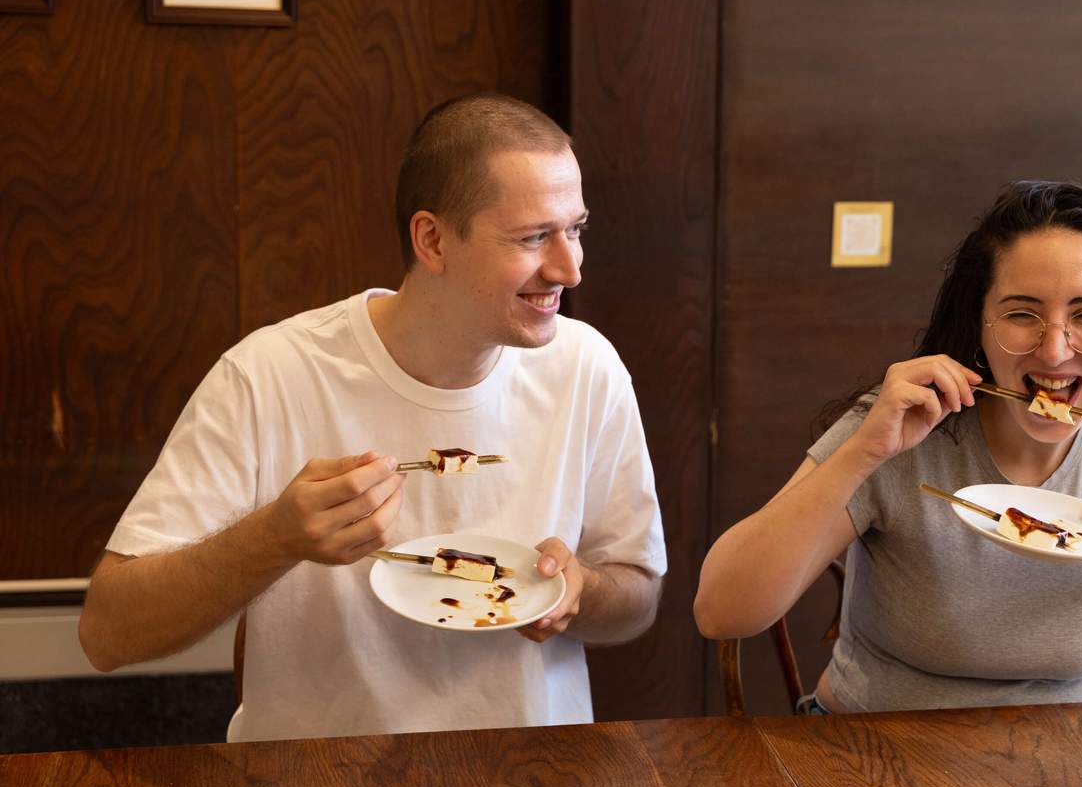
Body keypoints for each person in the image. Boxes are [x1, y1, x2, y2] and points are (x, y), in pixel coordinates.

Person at [79, 92, 667, 742]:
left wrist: (579, 588)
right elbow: (108, 632)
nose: (570, 267)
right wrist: (276, 536)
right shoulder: (270, 375)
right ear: (433, 239)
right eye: (532, 237)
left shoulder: (586, 367)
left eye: (575, 229)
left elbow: (636, 594)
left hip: (533, 780)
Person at [695, 180, 1082, 714]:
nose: (1054, 350)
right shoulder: (910, 414)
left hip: (1058, 768)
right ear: (979, 325)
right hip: (872, 756)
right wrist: (864, 452)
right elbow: (720, 612)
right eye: (1022, 314)